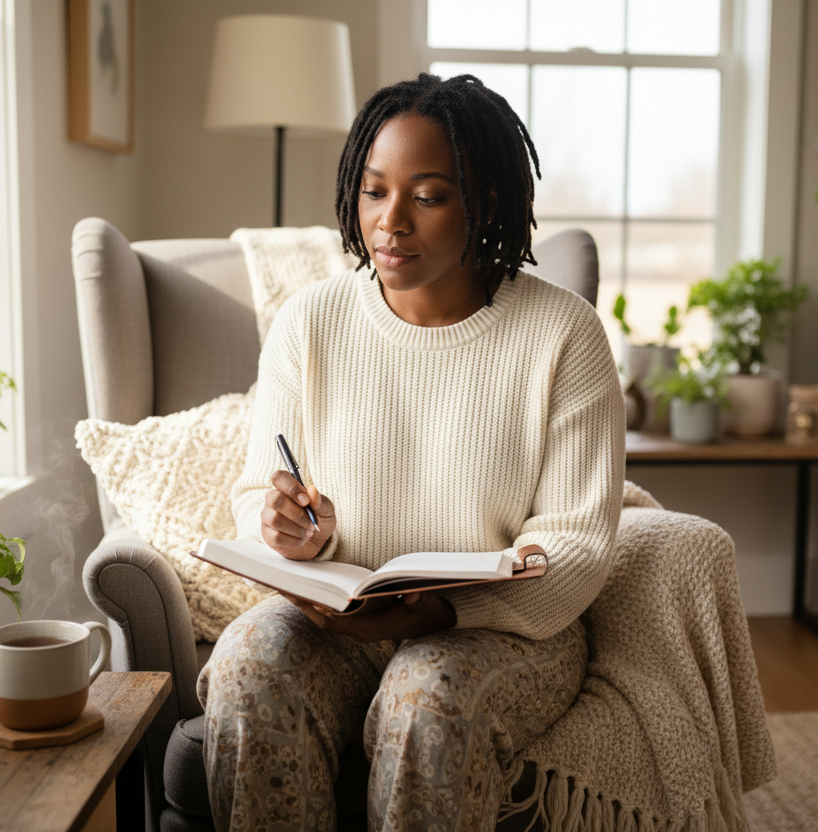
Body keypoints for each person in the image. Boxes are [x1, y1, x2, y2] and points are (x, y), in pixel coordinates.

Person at [197, 72, 624, 832]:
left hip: (498, 629)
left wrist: (443, 613)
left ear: (486, 200)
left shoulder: (565, 334)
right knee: (245, 666)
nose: (389, 221)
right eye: (373, 191)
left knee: (425, 699)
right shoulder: (310, 323)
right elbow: (255, 494)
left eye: (427, 196)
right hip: (334, 620)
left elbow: (578, 545)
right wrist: (289, 527)